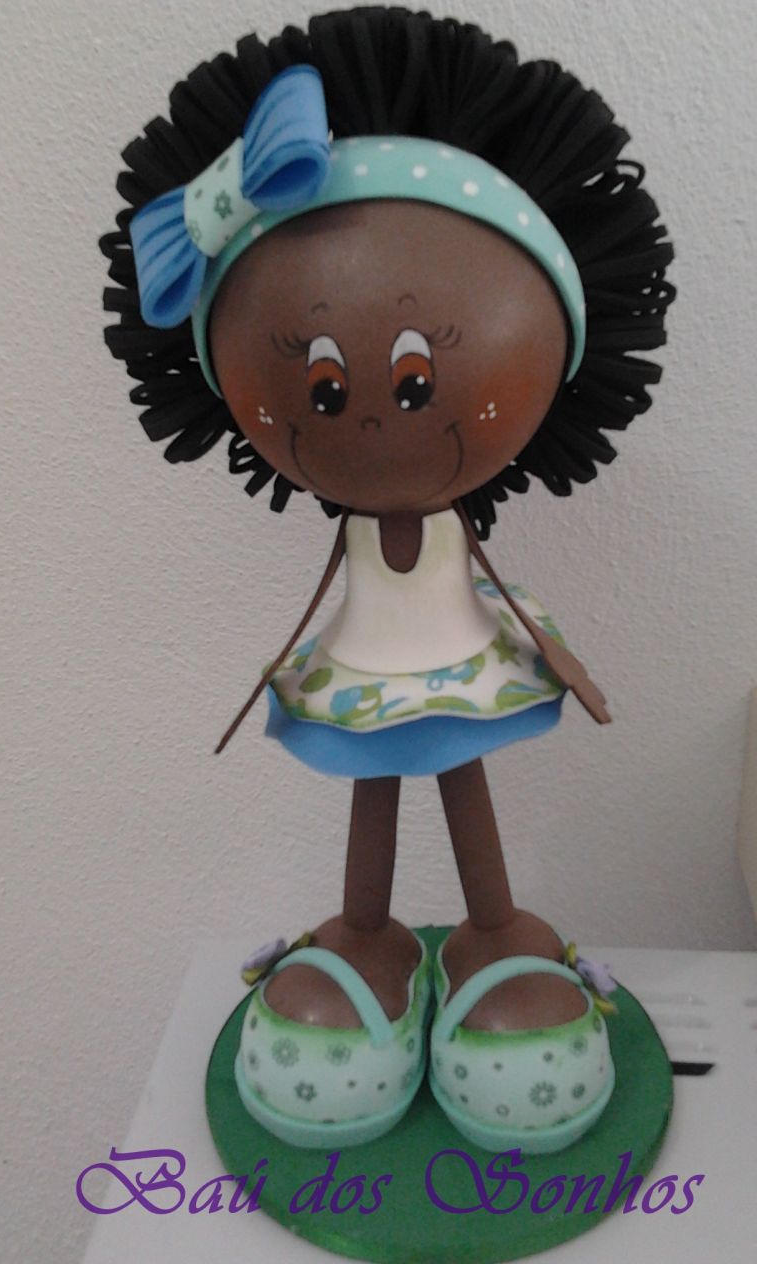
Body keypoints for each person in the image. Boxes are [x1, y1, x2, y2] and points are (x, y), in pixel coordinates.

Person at [101, 6, 674, 1151]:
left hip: (460, 659)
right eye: (318, 394)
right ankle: (364, 933)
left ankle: (491, 929)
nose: (368, 419)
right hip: (362, 666)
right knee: (372, 784)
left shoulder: (464, 518)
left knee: (459, 775)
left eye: (417, 385)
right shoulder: (348, 523)